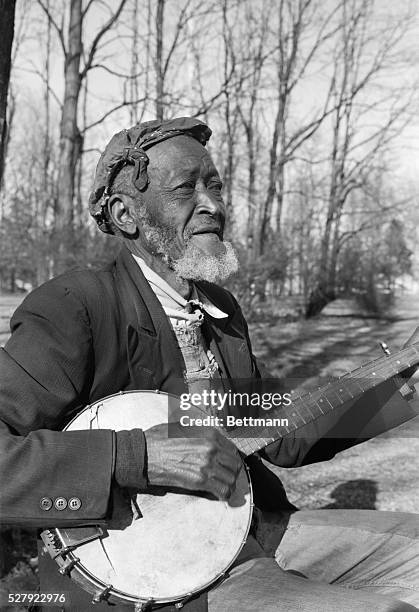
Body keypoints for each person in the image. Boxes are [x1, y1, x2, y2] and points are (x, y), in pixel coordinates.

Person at [0, 117, 418, 612]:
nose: (213, 205)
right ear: (127, 214)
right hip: (157, 577)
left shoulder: (220, 309)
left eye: (215, 186)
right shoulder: (75, 306)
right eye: (186, 189)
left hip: (257, 529)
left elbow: (276, 433)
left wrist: (402, 390)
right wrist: (136, 456)